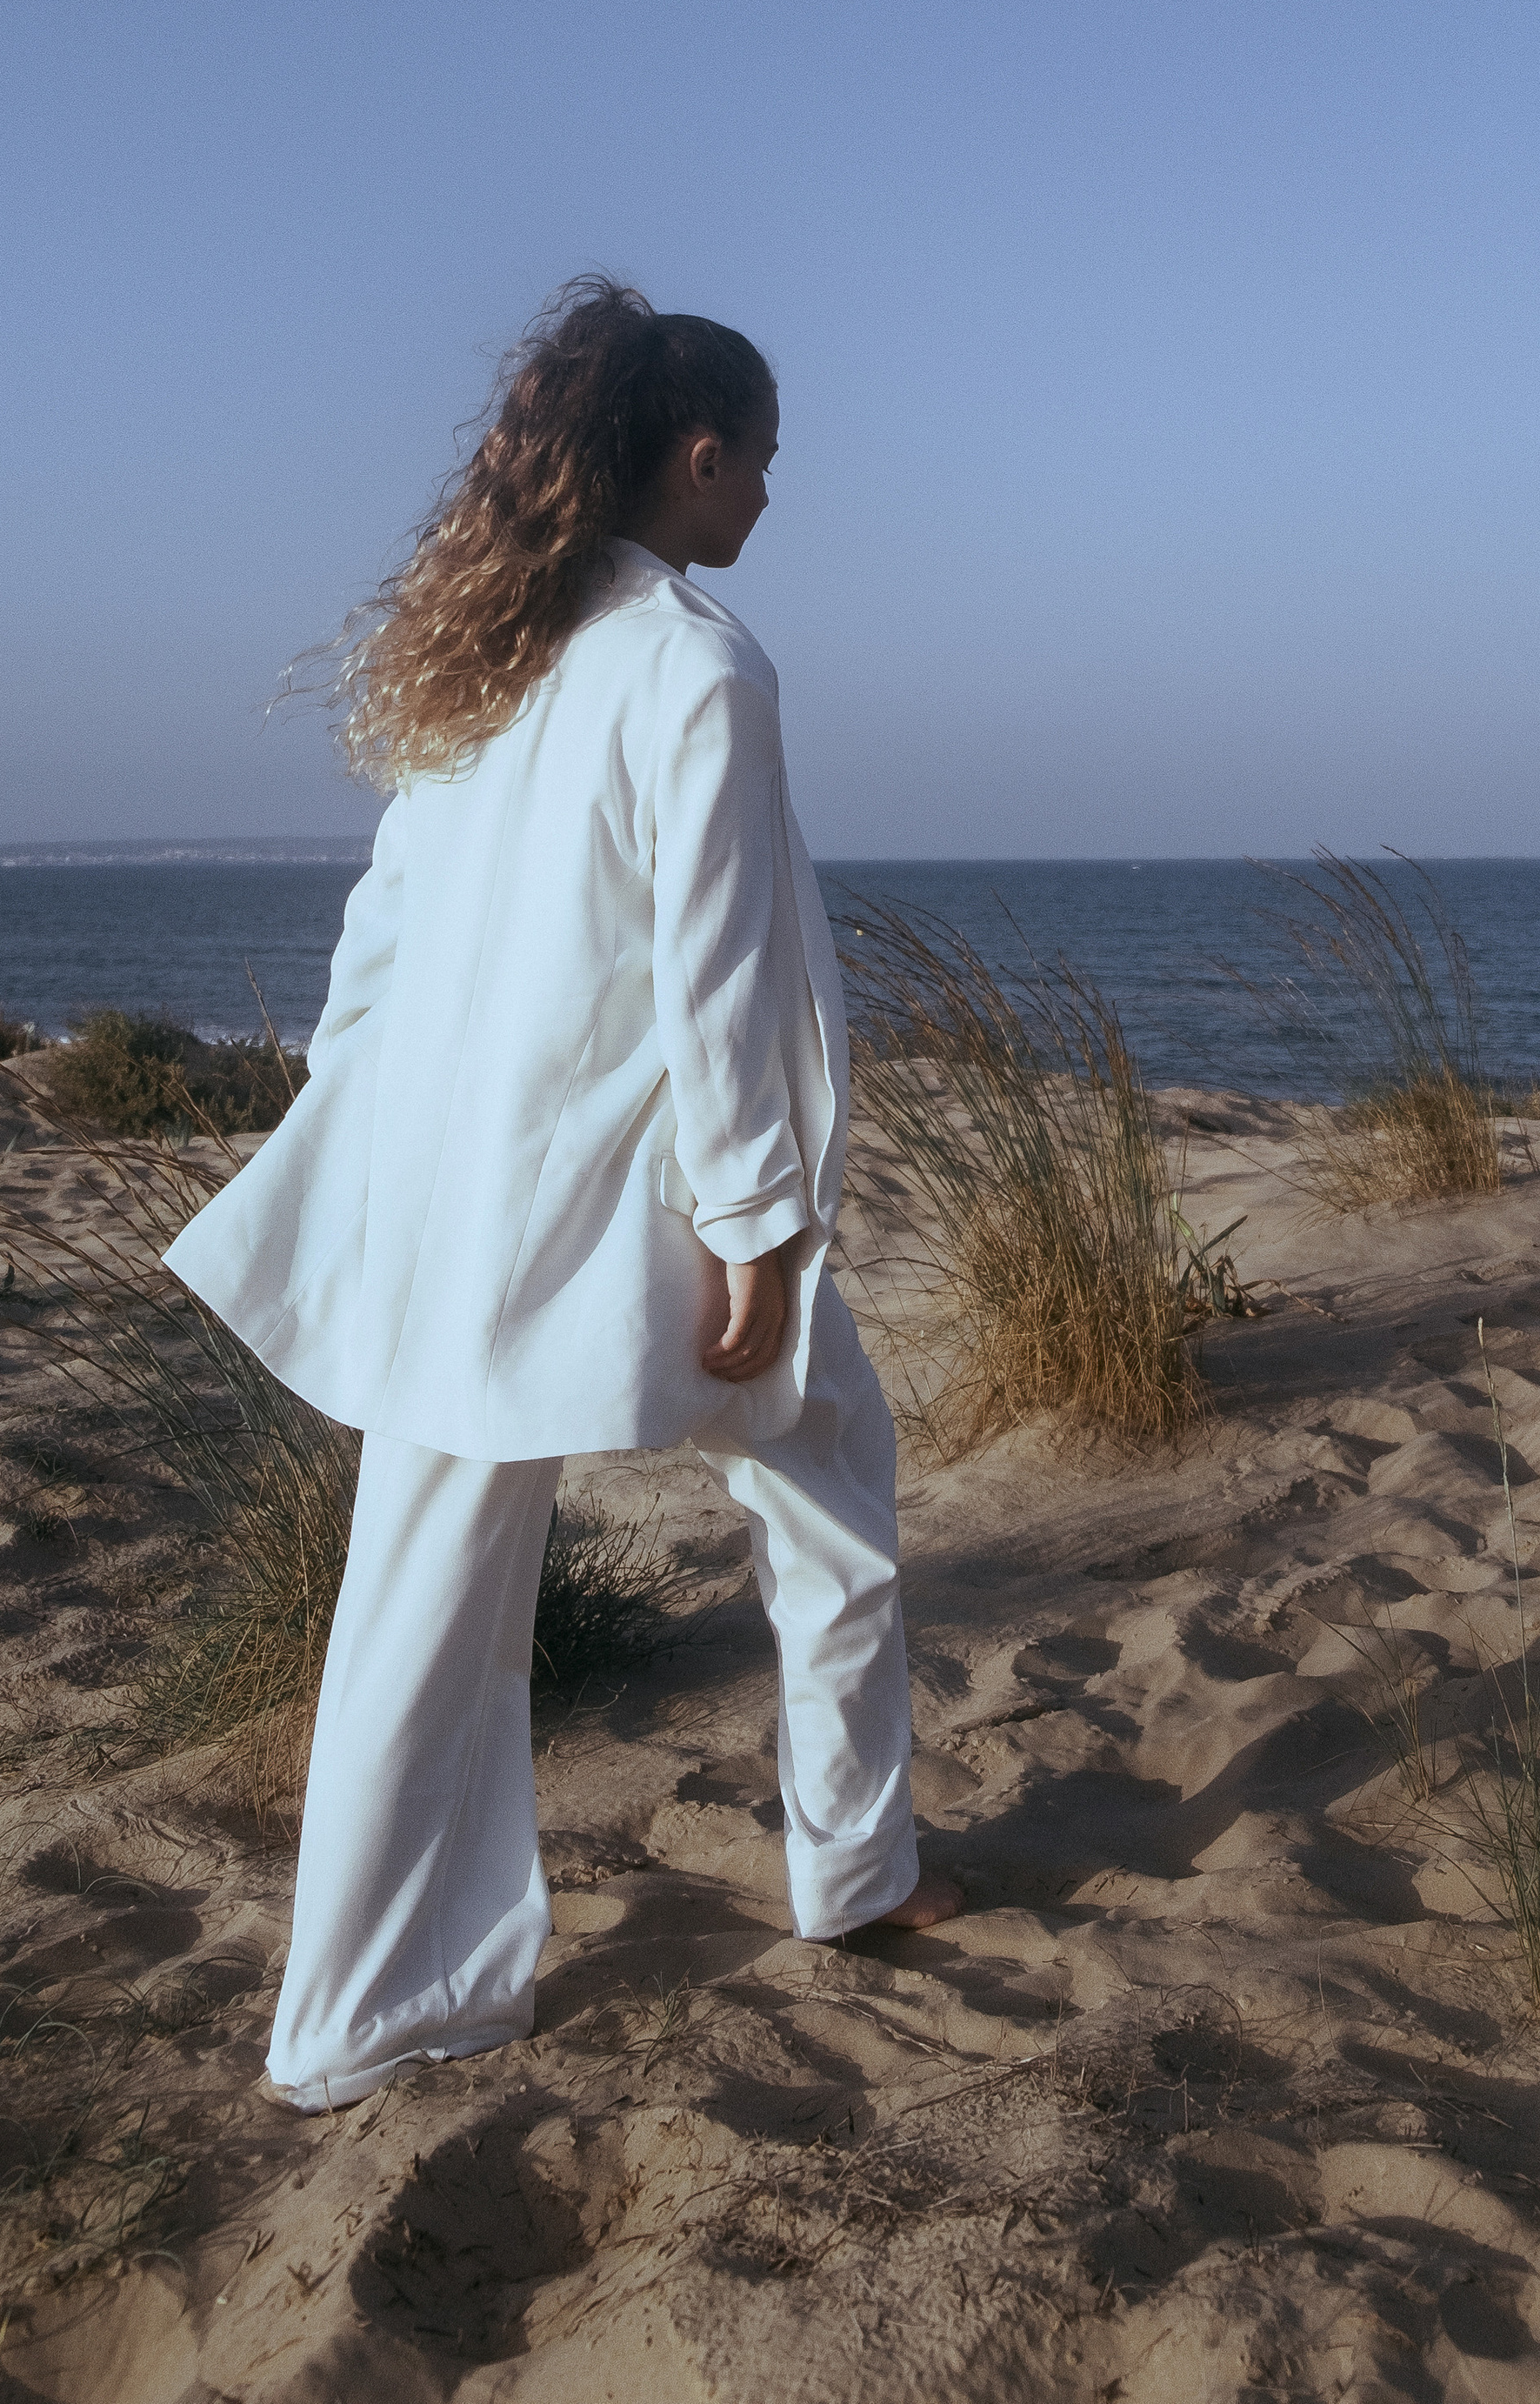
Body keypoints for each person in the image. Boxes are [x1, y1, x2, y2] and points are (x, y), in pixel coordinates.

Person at [165, 274, 959, 2113]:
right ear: (697, 456)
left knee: (420, 1595)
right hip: (632, 1205)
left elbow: (379, 936)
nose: (770, 498)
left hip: (454, 1195)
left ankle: (355, 2013)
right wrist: (758, 1222)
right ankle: (855, 1874)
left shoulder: (496, 646)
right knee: (830, 1482)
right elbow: (724, 972)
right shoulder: (692, 661)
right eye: (764, 463)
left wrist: (352, 1139)